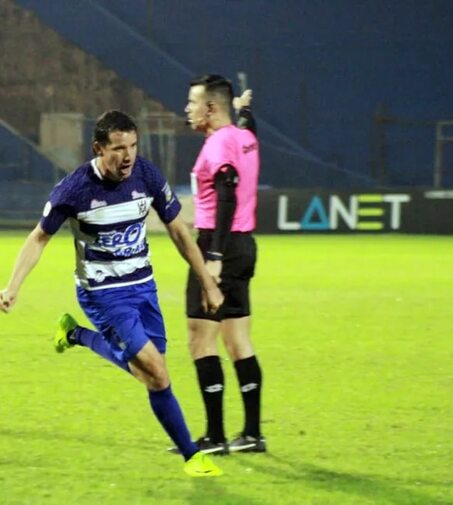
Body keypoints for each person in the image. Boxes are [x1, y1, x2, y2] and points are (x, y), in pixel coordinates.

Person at [0, 110, 225, 477]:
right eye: (118, 148)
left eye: (133, 145)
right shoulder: (73, 190)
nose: (128, 155)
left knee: (147, 373)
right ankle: (193, 458)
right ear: (98, 148)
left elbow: (180, 232)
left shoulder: (146, 175)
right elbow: (39, 238)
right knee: (158, 373)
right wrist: (12, 286)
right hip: (103, 293)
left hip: (143, 287)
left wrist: (208, 283)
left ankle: (75, 334)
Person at [180, 74, 266, 455]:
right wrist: (245, 111)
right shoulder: (244, 137)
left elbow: (227, 191)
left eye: (192, 102)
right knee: (237, 341)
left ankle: (215, 437)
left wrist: (212, 257)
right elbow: (248, 127)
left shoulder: (217, 145)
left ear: (211, 108)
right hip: (244, 246)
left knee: (200, 339)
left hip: (218, 246)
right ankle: (251, 434)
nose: (188, 109)